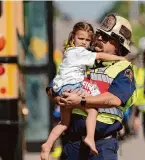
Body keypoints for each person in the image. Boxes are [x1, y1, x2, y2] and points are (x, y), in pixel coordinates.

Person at [46, 14, 136, 160]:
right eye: (99, 34)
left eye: (106, 37)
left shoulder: (123, 68)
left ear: (118, 45)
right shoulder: (83, 57)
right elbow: (52, 88)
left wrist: (81, 101)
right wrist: (59, 98)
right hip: (72, 143)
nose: (99, 38)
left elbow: (114, 99)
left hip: (102, 146)